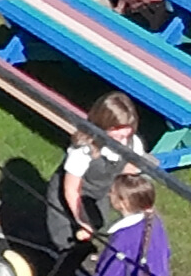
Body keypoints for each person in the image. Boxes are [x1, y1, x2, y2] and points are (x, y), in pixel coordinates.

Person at [50, 91, 144, 262]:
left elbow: (132, 168)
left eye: (126, 135)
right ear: (101, 125)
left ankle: (80, 257)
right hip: (70, 193)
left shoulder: (132, 144)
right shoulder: (84, 149)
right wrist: (82, 220)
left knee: (98, 226)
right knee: (64, 239)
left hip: (99, 193)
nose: (122, 140)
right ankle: (56, 265)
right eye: (116, 132)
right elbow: (71, 190)